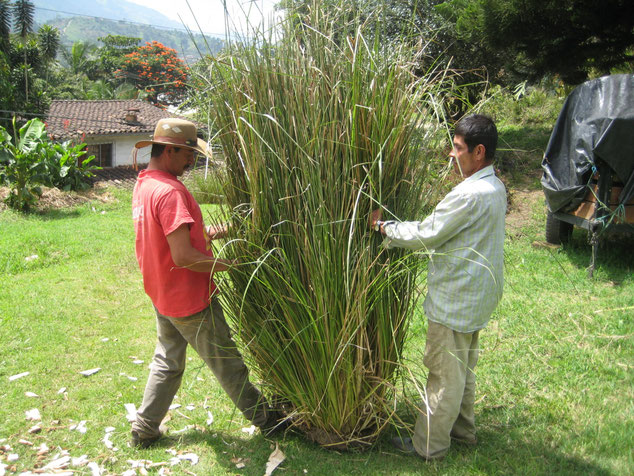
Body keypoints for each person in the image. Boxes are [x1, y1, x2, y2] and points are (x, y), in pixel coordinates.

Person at [130, 118, 283, 448]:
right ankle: (268, 422)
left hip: (162, 292)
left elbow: (172, 238)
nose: (192, 161)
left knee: (167, 361)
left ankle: (144, 429)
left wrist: (220, 230)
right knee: (227, 363)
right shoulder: (170, 192)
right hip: (188, 298)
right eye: (188, 154)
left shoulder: (146, 183)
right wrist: (231, 264)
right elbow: (183, 256)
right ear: (169, 150)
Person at [370, 114, 506, 460]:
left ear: (479, 151)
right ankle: (462, 430)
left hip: (457, 298)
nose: (451, 154)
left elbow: (426, 233)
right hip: (477, 295)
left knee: (444, 373)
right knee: (462, 367)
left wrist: (384, 226)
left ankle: (429, 446)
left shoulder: (469, 195)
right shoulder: (495, 186)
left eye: (458, 148)